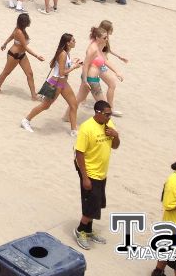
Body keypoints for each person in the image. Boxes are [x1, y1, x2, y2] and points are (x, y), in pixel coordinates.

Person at [72, 100, 119, 250]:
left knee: (96, 204)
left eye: (110, 114)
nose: (109, 117)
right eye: (107, 114)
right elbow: (79, 153)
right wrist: (85, 177)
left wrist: (116, 135)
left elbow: (115, 146)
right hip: (90, 172)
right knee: (91, 204)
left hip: (102, 172)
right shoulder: (87, 128)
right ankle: (80, 231)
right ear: (98, 113)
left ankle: (88, 231)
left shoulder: (109, 125)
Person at [22, 33, 81, 133]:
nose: (75, 42)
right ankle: (26, 120)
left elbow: (56, 65)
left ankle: (74, 130)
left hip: (63, 83)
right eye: (73, 40)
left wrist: (72, 63)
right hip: (56, 83)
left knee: (73, 105)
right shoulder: (63, 54)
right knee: (45, 105)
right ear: (68, 43)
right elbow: (61, 72)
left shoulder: (66, 53)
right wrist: (74, 67)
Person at [0, 13, 43, 100]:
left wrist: (4, 44)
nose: (30, 21)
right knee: (6, 72)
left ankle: (34, 95)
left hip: (22, 55)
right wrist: (37, 56)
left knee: (30, 74)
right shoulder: (19, 32)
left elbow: (11, 37)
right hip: (14, 55)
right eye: (28, 20)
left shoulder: (20, 29)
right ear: (25, 22)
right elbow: (25, 47)